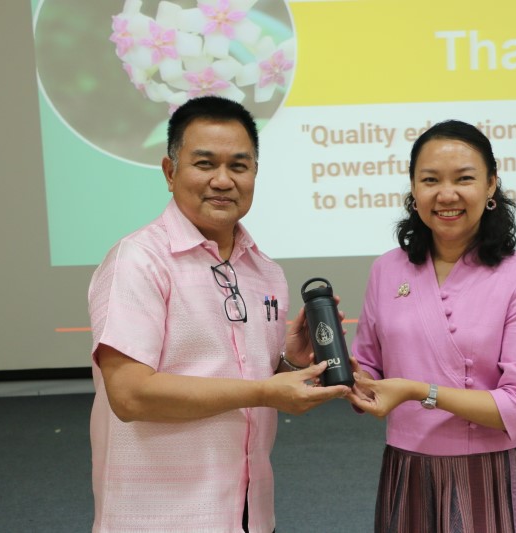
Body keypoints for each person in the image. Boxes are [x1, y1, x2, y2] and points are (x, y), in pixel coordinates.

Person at [88, 95, 350, 533]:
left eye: (239, 166)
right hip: (160, 518)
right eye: (205, 164)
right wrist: (263, 392)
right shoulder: (139, 260)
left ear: (255, 174)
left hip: (249, 513)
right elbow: (130, 395)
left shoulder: (265, 271)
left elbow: (243, 379)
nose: (223, 180)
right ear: (170, 172)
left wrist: (288, 362)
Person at [346, 120, 516, 532]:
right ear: (413, 188)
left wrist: (417, 391)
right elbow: (369, 369)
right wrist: (342, 372)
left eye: (464, 179)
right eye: (430, 180)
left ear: (491, 184)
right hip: (408, 467)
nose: (446, 195)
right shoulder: (387, 269)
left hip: (494, 470)